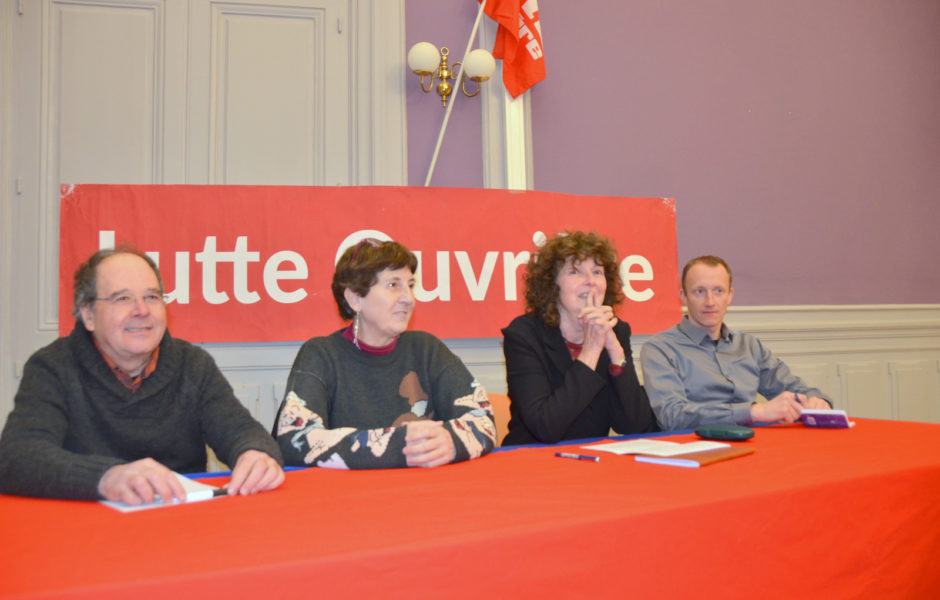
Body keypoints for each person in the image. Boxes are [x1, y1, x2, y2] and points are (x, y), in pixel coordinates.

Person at [0, 246, 284, 504]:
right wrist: (106, 477)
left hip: (180, 523)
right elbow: (16, 457)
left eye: (152, 296)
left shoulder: (193, 364)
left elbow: (241, 431)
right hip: (87, 529)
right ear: (87, 314)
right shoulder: (53, 366)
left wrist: (255, 454)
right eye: (123, 298)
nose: (142, 310)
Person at [274, 238, 495, 468]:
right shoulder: (320, 355)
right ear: (355, 298)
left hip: (426, 494)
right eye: (393, 285)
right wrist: (402, 444)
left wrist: (452, 441)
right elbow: (295, 440)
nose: (408, 298)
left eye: (410, 285)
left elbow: (484, 422)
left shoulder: (428, 349)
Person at [500, 231, 658, 446]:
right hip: (532, 462)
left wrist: (615, 352)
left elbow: (635, 425)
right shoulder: (524, 334)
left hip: (591, 460)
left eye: (597, 272)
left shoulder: (616, 331)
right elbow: (545, 427)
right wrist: (591, 351)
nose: (591, 282)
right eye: (576, 272)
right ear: (552, 285)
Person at [640, 255, 833, 431]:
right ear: (683, 296)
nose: (710, 301)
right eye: (699, 291)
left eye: (718, 291)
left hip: (754, 445)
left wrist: (818, 401)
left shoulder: (748, 346)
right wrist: (753, 412)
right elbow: (672, 416)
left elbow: (793, 387)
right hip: (695, 449)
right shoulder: (659, 349)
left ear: (730, 296)